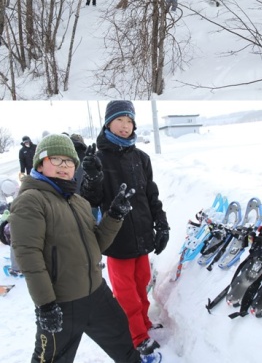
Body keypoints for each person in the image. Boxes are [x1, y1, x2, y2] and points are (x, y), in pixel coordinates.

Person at [8, 134, 157, 363]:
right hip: (62, 303)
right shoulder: (31, 200)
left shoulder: (77, 201)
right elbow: (29, 257)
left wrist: (115, 215)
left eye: (69, 161)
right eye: (56, 160)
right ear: (40, 163)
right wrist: (46, 305)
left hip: (97, 294)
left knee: (124, 344)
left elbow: (95, 245)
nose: (64, 166)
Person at [80, 101, 169, 356]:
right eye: (120, 120)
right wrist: (92, 178)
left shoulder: (141, 158)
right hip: (116, 239)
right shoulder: (98, 159)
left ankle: (145, 323)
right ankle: (137, 336)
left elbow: (151, 195)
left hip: (141, 236)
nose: (125, 126)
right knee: (126, 293)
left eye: (129, 121)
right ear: (108, 123)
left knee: (141, 285)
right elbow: (90, 200)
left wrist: (161, 223)